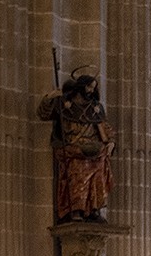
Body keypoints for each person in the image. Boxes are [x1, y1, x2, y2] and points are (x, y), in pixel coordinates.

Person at [37, 66, 115, 224]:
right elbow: (43, 114)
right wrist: (50, 97)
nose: (91, 91)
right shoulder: (64, 104)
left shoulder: (96, 108)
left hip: (94, 150)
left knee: (97, 177)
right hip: (74, 150)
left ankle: (94, 210)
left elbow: (105, 128)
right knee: (78, 176)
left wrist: (111, 142)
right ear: (81, 86)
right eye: (88, 87)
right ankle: (76, 210)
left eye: (93, 88)